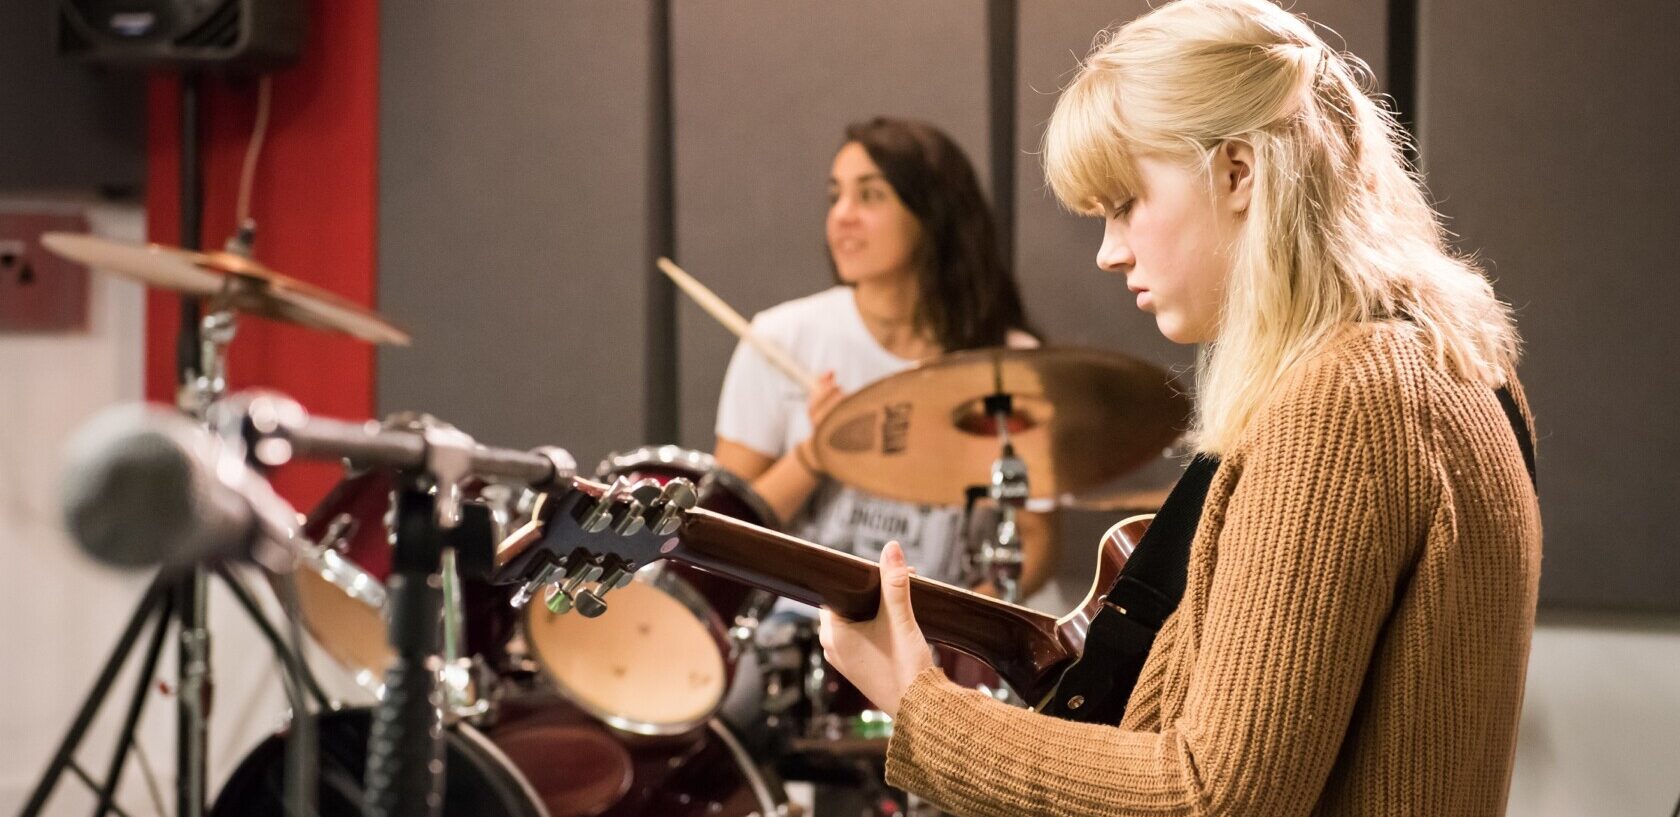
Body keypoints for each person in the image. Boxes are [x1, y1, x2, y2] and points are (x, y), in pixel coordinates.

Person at [817, 2, 1542, 815]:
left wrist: (920, 705)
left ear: (1238, 171)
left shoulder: (1347, 398)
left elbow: (1212, 796)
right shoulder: (1457, 359)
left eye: (1126, 202)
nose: (1109, 249)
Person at [713, 116, 1055, 598]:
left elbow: (1034, 537)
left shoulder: (1010, 364)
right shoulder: (781, 338)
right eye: (835, 196)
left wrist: (974, 625)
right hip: (804, 631)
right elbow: (725, 528)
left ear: (932, 215)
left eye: (870, 195)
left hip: (941, 628)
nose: (842, 215)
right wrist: (816, 453)